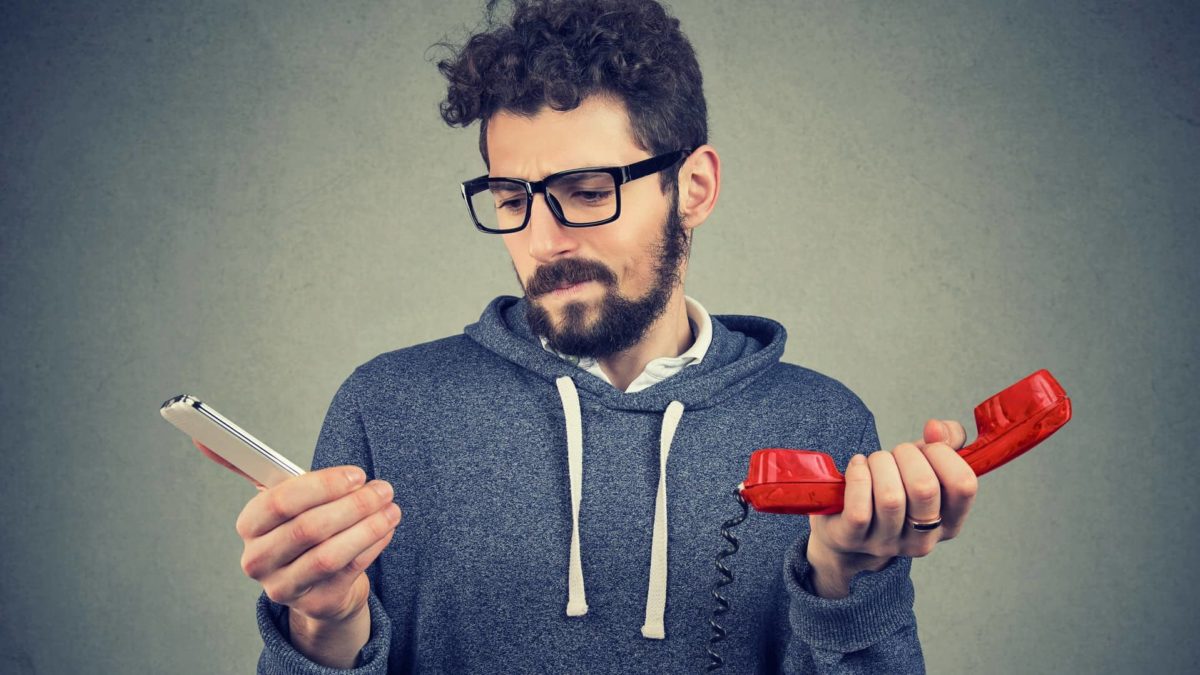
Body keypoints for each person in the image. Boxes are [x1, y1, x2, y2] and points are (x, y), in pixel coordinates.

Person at [199, 1, 979, 672]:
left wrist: (844, 580)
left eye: (585, 192)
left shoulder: (824, 425)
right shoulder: (387, 406)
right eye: (512, 198)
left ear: (694, 187)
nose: (543, 240)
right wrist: (323, 629)